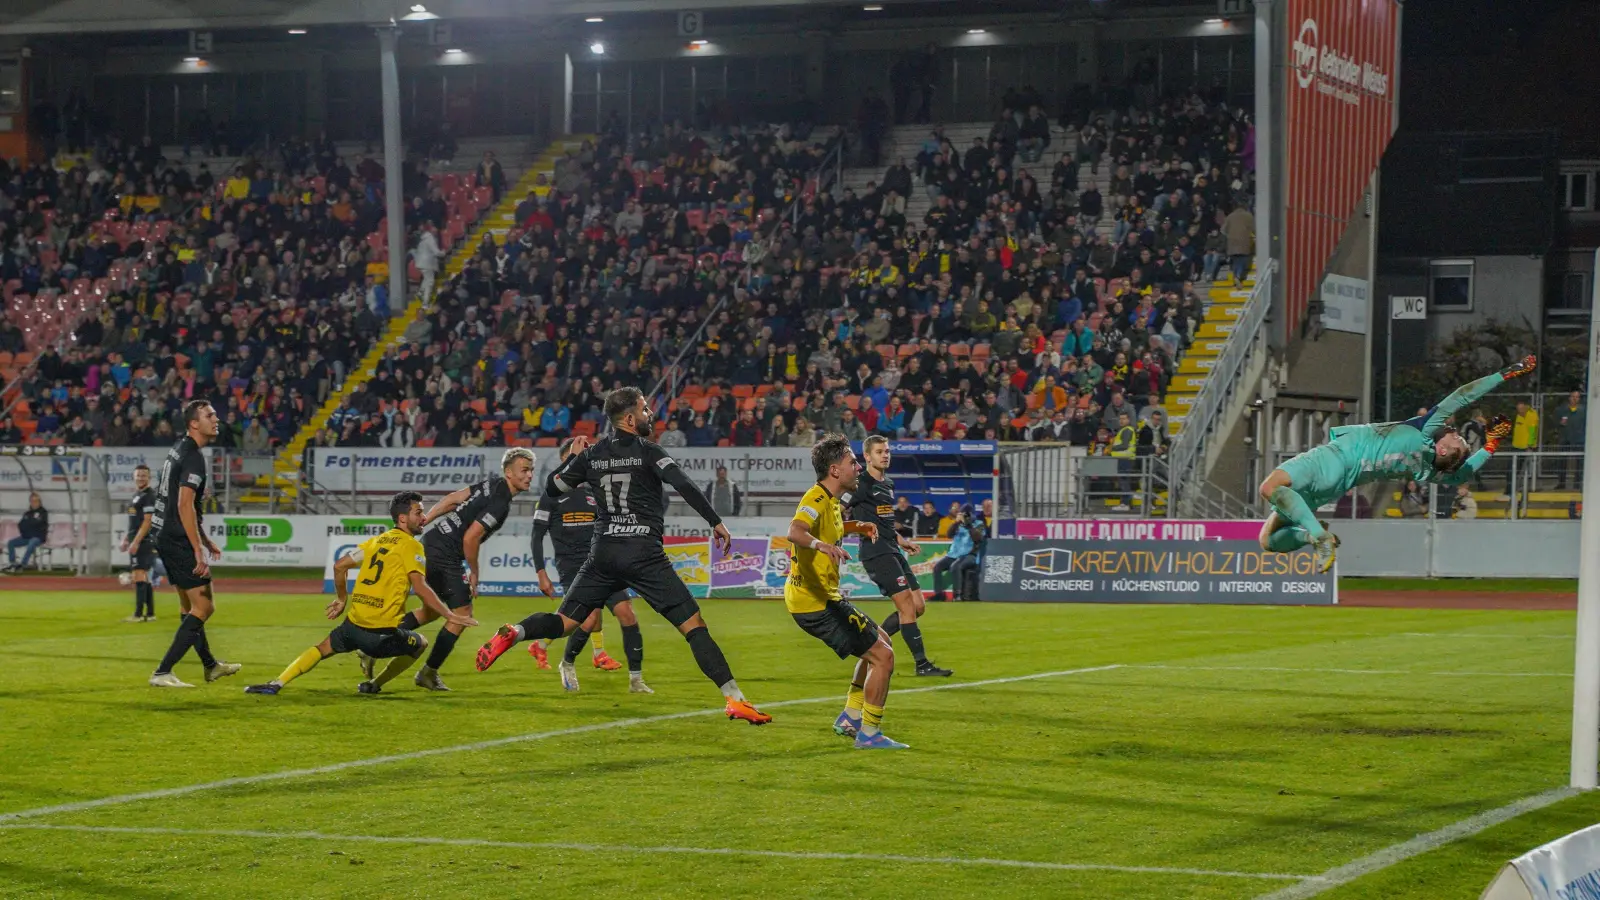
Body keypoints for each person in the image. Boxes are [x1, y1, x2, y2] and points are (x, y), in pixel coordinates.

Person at [474, 387, 770, 724]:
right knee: (694, 627)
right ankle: (735, 699)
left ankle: (516, 632)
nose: (650, 415)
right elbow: (684, 484)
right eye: (645, 409)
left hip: (602, 552)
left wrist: (573, 458)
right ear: (629, 419)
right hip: (642, 551)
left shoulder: (592, 455)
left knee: (564, 623)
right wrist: (715, 521)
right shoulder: (649, 451)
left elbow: (554, 488)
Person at [1258, 357, 1536, 572]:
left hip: (1334, 460)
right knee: (1267, 541)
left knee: (1269, 487)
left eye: (1457, 439)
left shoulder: (1426, 431)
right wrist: (1490, 445)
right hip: (1337, 486)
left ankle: (1318, 536)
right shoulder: (1425, 469)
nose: (1456, 432)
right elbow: (1461, 473)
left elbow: (1463, 395)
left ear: (1441, 448)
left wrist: (1507, 373)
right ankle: (1312, 536)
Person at [244, 493, 477, 695]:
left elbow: (339, 566)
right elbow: (421, 587)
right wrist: (450, 615)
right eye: (418, 512)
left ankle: (276, 683)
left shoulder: (376, 541)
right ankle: (374, 685)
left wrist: (341, 598)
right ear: (403, 518)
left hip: (353, 624)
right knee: (420, 643)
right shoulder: (411, 545)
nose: (423, 517)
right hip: (380, 634)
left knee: (322, 648)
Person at [786, 434, 908, 749]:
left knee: (881, 640)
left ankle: (850, 717)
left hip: (824, 597)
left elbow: (834, 527)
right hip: (815, 602)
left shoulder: (832, 502)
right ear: (835, 470)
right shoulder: (815, 498)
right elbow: (795, 531)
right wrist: (820, 545)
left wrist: (858, 527)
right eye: (852, 462)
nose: (857, 467)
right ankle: (869, 734)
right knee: (884, 657)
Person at [391, 447, 533, 691]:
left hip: (432, 542)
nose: (530, 475)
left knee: (433, 610)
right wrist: (475, 572)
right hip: (446, 554)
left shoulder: (492, 485)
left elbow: (451, 500)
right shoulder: (500, 502)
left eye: (531, 470)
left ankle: (379, 638)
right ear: (509, 473)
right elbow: (470, 539)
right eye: (524, 470)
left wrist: (427, 520)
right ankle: (428, 672)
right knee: (462, 613)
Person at [527, 436, 646, 692]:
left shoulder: (595, 491)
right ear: (564, 460)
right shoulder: (551, 495)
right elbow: (536, 535)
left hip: (604, 563)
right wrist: (541, 573)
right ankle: (567, 663)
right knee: (589, 619)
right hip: (572, 567)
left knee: (627, 613)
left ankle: (636, 680)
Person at [147, 401, 242, 688]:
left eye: (215, 413)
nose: (216, 418)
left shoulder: (179, 449)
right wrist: (197, 549)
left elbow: (180, 503)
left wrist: (204, 538)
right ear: (194, 423)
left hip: (164, 533)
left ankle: (211, 666)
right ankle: (163, 671)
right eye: (209, 415)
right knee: (205, 606)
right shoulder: (193, 458)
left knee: (190, 606)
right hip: (176, 539)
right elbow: (184, 504)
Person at [848, 435, 951, 677]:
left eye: (887, 451)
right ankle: (922, 665)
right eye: (879, 452)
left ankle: (871, 644)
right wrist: (858, 528)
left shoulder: (888, 484)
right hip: (875, 552)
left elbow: (884, 521)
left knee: (917, 606)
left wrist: (901, 540)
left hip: (892, 549)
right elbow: (837, 514)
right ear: (867, 456)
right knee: (906, 605)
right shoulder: (859, 483)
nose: (885, 455)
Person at [119, 465, 158, 621]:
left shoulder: (149, 496)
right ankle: (150, 614)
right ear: (133, 477)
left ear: (149, 477)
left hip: (144, 540)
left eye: (144, 475)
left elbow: (147, 521)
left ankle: (138, 614)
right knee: (144, 576)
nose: (141, 477)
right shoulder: (137, 495)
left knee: (138, 574)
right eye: (138, 475)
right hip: (138, 539)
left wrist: (135, 541)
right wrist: (127, 539)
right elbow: (134, 521)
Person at [931, 504, 985, 602]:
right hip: (953, 554)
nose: (964, 516)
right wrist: (956, 523)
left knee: (955, 567)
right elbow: (949, 534)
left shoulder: (979, 523)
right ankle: (939, 594)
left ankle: (957, 595)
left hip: (969, 555)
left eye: (966, 514)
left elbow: (978, 539)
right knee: (937, 567)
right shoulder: (958, 525)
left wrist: (969, 525)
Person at [5, 492, 47, 573]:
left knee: (32, 542)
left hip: (38, 537)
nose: (34, 503)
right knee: (11, 543)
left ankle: (23, 565)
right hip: (26, 537)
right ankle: (13, 563)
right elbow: (21, 525)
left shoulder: (43, 512)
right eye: (32, 501)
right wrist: (27, 527)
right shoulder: (27, 513)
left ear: (39, 502)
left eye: (36, 501)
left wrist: (29, 523)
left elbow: (37, 523)